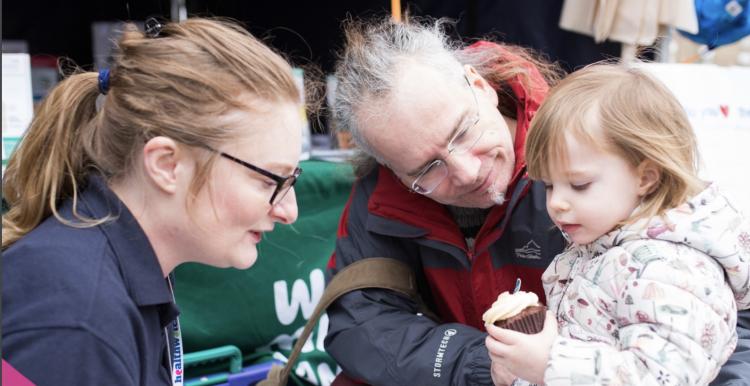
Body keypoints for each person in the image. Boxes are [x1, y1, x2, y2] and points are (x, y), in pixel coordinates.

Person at [324, 16, 750, 385]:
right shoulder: (384, 195)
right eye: (426, 168)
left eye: (463, 131)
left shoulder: (588, 145)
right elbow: (360, 325)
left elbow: (725, 324)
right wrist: (484, 363)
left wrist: (548, 364)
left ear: (480, 86)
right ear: (391, 167)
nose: (466, 171)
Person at [2, 18, 303, 385]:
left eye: (293, 179)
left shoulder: (107, 269)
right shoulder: (78, 322)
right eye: (269, 180)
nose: (289, 210)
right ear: (166, 165)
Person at [484, 64, 750, 385]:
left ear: (646, 177)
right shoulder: (602, 246)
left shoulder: (669, 268)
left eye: (579, 184)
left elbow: (661, 377)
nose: (555, 203)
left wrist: (550, 364)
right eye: (550, 185)